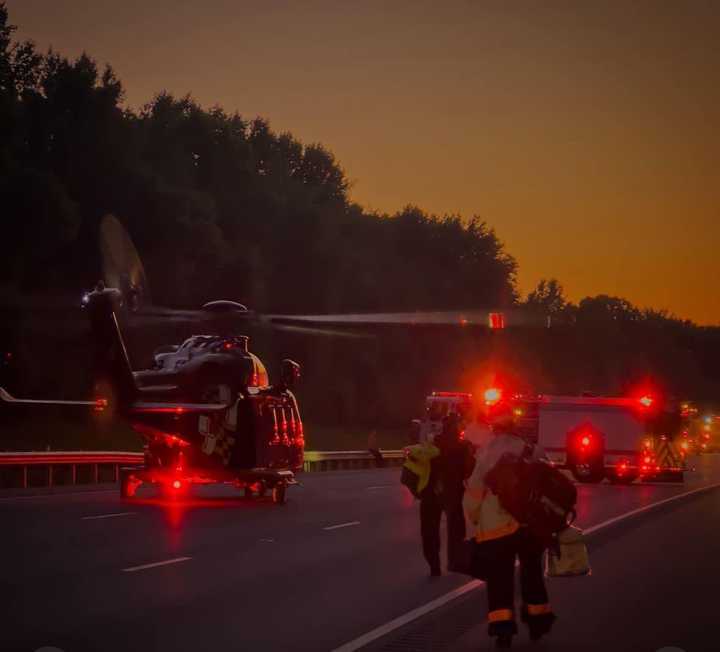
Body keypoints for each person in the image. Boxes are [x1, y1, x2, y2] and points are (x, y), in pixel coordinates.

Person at [463, 410, 555, 648]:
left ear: (495, 429)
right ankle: (538, 624)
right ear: (516, 427)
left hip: (496, 530)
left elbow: (474, 492)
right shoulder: (534, 450)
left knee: (499, 580)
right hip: (530, 527)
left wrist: (475, 518)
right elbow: (549, 486)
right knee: (532, 574)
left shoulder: (487, 454)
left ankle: (503, 631)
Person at [420, 412, 475, 576]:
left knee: (429, 530)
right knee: (455, 530)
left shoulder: (432, 443)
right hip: (453, 492)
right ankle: (453, 562)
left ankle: (433, 565)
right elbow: (469, 470)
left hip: (430, 491)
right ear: (456, 428)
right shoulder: (463, 446)